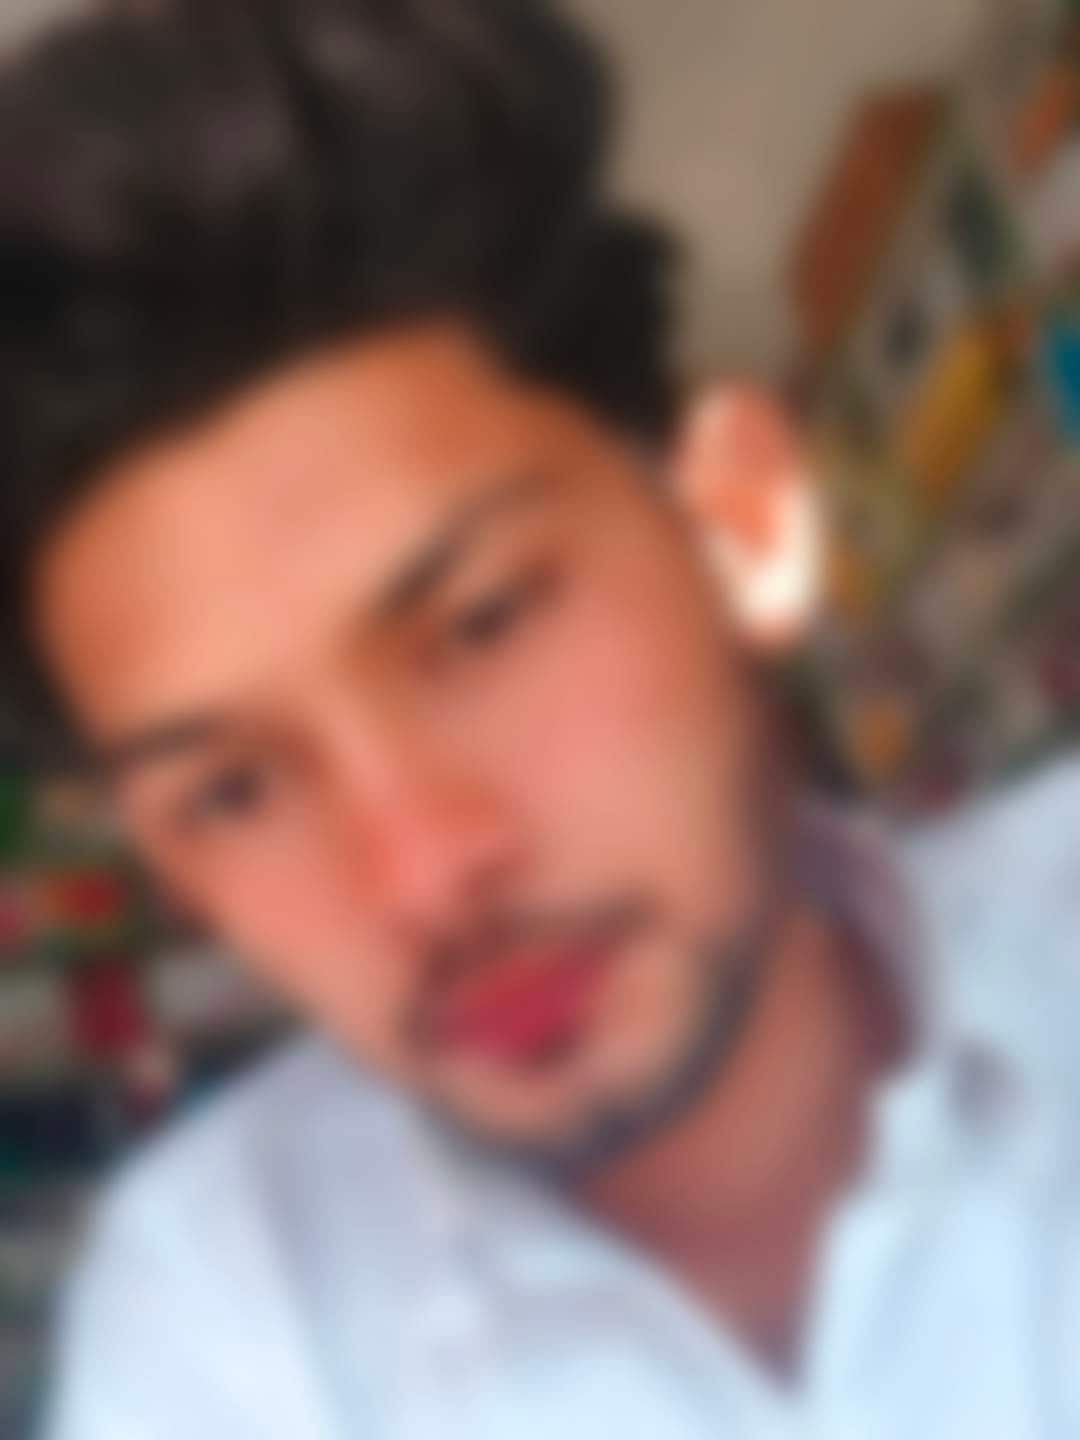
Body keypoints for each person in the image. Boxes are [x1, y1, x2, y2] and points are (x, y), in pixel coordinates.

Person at [2, 3, 1078, 1437]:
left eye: (483, 623)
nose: (421, 873)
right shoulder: (218, 1311)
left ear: (740, 523)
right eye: (233, 789)